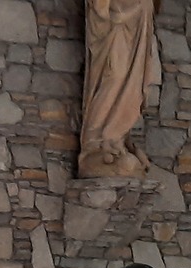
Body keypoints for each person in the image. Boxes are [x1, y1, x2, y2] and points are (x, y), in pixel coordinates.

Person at [80, 0, 161, 178]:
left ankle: (116, 138)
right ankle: (95, 141)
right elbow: (100, 10)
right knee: (114, 76)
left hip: (135, 26)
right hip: (112, 29)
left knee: (132, 83)